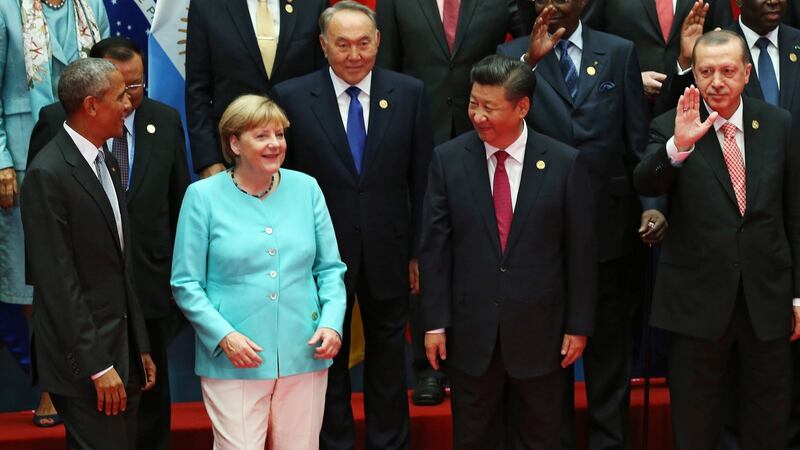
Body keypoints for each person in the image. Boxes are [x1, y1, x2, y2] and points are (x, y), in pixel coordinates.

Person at [498, 2, 665, 449]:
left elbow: (636, 139)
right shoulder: (516, 52)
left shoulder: (618, 51)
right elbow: (494, 113)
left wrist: (651, 204)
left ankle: (609, 441)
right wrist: (529, 61)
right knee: (548, 354)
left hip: (609, 225)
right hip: (540, 228)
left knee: (610, 347)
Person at [269, 2, 433, 448]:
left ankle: (389, 443)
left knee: (386, 360)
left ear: (378, 41)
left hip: (390, 250)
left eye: (364, 43)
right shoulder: (292, 96)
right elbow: (284, 185)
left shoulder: (410, 92)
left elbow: (422, 181)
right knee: (327, 364)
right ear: (323, 46)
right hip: (317, 257)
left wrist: (419, 251)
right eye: (343, 44)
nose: (355, 54)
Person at [420, 54, 597, 450]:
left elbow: (581, 254)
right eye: (472, 104)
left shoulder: (564, 163)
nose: (477, 115)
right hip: (471, 333)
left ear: (522, 107)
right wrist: (434, 323)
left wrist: (578, 324)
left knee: (543, 436)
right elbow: (435, 248)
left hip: (544, 334)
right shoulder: (448, 160)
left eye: (489, 107)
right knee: (474, 436)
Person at [634, 30, 800, 450]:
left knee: (769, 421)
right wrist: (677, 147)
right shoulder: (670, 125)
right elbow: (646, 180)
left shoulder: (778, 124)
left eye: (728, 71)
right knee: (697, 424)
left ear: (747, 73)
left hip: (767, 299)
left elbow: (794, 213)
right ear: (694, 76)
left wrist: (797, 296)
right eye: (705, 71)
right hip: (695, 304)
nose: (717, 81)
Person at [26, 37, 190, 450]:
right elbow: (58, 282)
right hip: (88, 361)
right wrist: (99, 366)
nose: (130, 105)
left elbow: (123, 265)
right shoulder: (49, 173)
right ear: (91, 106)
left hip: (125, 351)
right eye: (120, 96)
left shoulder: (106, 161)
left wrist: (140, 349)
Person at [171, 94, 346, 450]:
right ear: (234, 143)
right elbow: (186, 283)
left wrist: (331, 323)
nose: (274, 144)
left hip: (305, 350)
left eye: (279, 135)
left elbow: (330, 269)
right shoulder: (202, 197)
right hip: (236, 355)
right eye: (261, 136)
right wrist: (224, 336)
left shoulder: (306, 188)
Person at [375, 0, 525, 407]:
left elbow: (526, 43)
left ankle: (486, 359)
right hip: (416, 139)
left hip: (490, 136)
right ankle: (428, 369)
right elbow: (385, 68)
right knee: (427, 251)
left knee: (491, 248)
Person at [0, 0, 109, 427]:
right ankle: (49, 383)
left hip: (87, 150)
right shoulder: (7, 8)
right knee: (37, 277)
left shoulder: (91, 6)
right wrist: (2, 161)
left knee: (86, 267)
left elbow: (105, 79)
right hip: (26, 156)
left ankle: (93, 372)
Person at [185, 0, 328, 179]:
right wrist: (208, 160)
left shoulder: (313, 3)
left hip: (303, 154)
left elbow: (322, 82)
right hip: (234, 157)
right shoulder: (207, 5)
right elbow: (197, 90)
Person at [582, 0, 732, 102]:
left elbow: (726, 43)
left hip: (691, 105)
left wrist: (688, 61)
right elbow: (586, 42)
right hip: (623, 109)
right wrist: (630, 81)